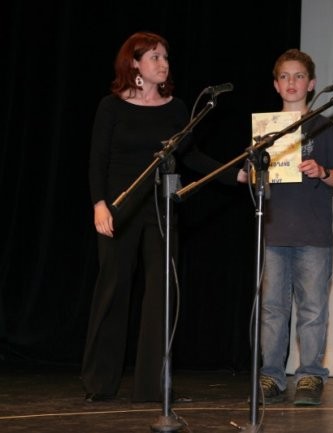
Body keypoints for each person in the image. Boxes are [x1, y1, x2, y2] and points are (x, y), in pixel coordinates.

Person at [82, 31, 245, 403]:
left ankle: (152, 387)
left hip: (161, 209)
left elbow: (193, 157)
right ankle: (99, 382)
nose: (163, 62)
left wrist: (234, 173)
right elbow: (97, 160)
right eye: (154, 56)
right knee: (113, 290)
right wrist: (99, 204)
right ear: (134, 63)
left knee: (161, 295)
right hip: (119, 209)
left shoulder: (176, 109)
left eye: (165, 56)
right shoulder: (111, 106)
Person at [252, 48, 333, 406]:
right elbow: (251, 178)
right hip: (274, 231)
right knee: (273, 307)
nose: (292, 83)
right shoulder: (264, 130)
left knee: (312, 307)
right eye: (285, 77)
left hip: (312, 234)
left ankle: (309, 374)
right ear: (276, 85)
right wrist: (249, 173)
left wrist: (321, 171)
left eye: (299, 76)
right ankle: (271, 375)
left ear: (312, 83)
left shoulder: (322, 125)